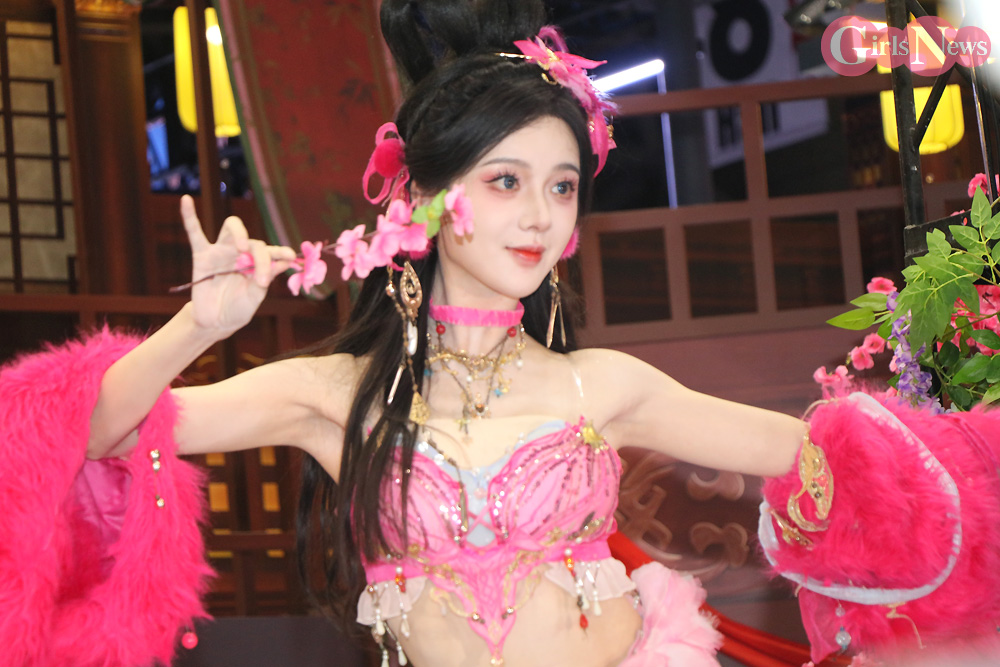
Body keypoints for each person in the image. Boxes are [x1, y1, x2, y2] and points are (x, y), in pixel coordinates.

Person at [4, 1, 998, 666]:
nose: (539, 216)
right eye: (506, 181)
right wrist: (199, 322)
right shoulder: (336, 393)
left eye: (561, 187)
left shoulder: (599, 383)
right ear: (423, 200)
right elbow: (80, 433)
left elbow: (830, 455)